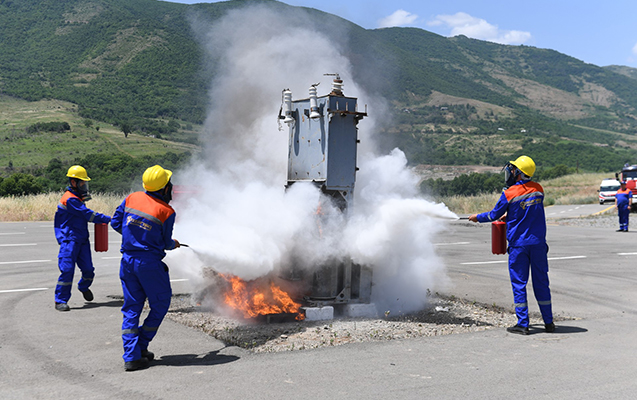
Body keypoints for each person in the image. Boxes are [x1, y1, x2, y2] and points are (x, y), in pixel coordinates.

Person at [468, 155, 554, 335]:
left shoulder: (509, 193)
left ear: (519, 173)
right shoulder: (539, 189)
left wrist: (477, 217)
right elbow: (528, 210)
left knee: (519, 283)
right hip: (538, 244)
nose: (510, 171)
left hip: (519, 245)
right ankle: (549, 323)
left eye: (513, 169)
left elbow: (493, 215)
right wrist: (512, 215)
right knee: (541, 283)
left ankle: (523, 324)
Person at [111, 165, 181, 371]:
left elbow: (116, 223)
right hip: (149, 265)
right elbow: (165, 242)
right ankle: (141, 344)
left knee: (132, 308)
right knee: (160, 304)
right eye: (169, 185)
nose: (171, 188)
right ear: (164, 189)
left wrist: (133, 236)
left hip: (128, 262)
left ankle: (132, 355)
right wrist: (173, 243)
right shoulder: (166, 211)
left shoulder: (132, 198)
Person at [54, 165, 111, 311]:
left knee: (88, 270)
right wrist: (109, 219)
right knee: (67, 270)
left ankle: (83, 286)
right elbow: (89, 215)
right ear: (73, 182)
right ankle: (60, 300)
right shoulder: (71, 199)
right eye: (82, 183)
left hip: (82, 239)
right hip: (69, 240)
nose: (84, 186)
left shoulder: (77, 198)